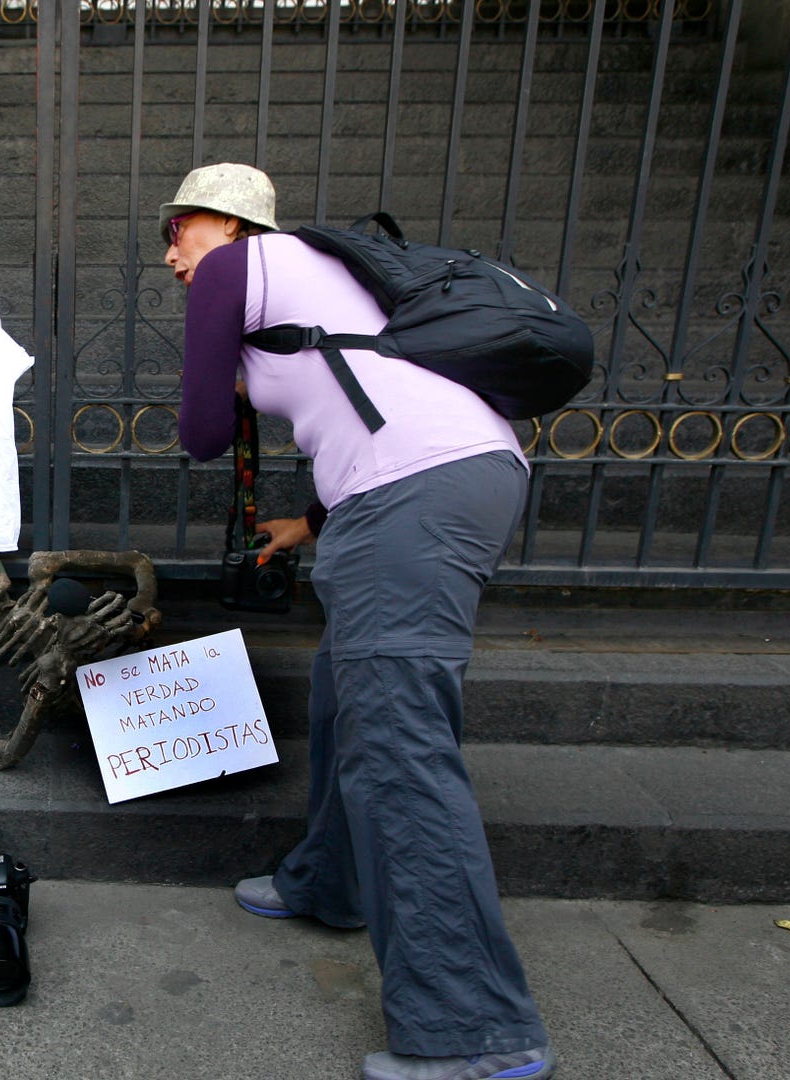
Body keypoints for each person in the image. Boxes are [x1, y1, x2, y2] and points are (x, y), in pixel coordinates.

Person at [166, 163, 554, 1080]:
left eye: (175, 233)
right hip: (438, 482)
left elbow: (199, 433)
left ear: (220, 222)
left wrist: (217, 382)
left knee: (399, 747)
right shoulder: (318, 277)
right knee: (352, 704)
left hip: (418, 494)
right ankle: (330, 881)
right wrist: (313, 521)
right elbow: (370, 400)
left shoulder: (237, 270)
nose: (172, 259)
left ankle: (478, 1032)